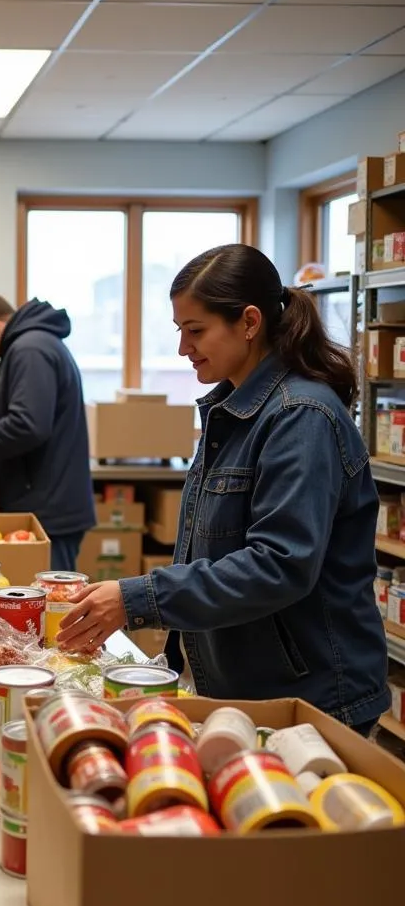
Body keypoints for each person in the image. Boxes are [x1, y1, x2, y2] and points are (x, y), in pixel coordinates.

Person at [58, 244, 388, 736]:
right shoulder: (234, 411)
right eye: (180, 331)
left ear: (250, 322)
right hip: (249, 688)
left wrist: (137, 598)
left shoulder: (300, 417)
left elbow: (279, 565)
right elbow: (207, 550)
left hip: (312, 700)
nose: (183, 348)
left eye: (196, 331)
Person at [0, 289, 95, 571]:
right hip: (47, 501)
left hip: (47, 510)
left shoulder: (30, 349)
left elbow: (27, 425)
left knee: (51, 604)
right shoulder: (32, 345)